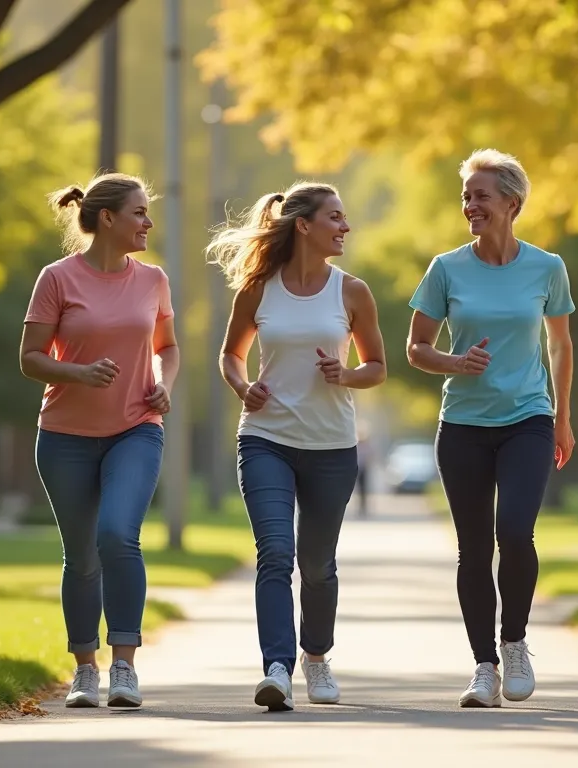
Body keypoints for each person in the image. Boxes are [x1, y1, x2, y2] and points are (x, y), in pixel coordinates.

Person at [208, 182, 387, 712]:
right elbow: (230, 355)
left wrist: (347, 374)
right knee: (274, 556)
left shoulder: (352, 291)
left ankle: (316, 656)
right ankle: (277, 669)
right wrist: (244, 388)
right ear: (304, 225)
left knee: (317, 564)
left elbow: (377, 367)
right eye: (336, 217)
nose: (345, 227)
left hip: (332, 446)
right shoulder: (259, 288)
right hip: (266, 439)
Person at [406, 149, 576, 708]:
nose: (469, 205)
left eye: (480, 196)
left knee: (516, 531)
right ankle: (484, 666)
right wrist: (454, 363)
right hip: (463, 425)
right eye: (466, 196)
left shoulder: (547, 267)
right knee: (474, 549)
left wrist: (563, 418)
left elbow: (559, 343)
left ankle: (516, 643)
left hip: (528, 417)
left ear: (512, 203)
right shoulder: (446, 268)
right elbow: (416, 347)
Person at [19, 172, 178, 710]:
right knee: (82, 556)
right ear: (107, 218)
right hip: (64, 436)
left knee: (117, 535)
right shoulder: (57, 278)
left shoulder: (153, 279)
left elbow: (169, 346)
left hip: (136, 427)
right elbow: (30, 358)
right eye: (139, 212)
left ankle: (125, 667)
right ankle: (85, 670)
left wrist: (164, 383)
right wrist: (79, 372)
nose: (147, 222)